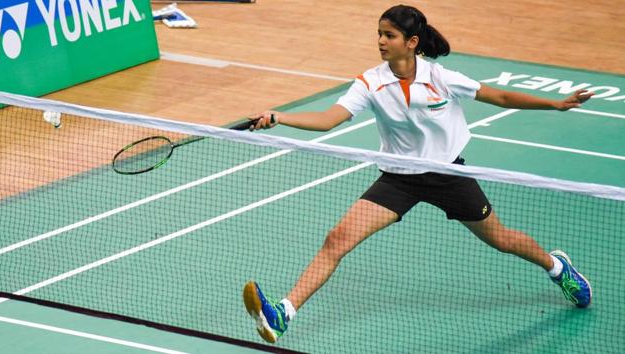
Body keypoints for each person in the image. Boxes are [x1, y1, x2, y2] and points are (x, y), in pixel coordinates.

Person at [242, 4, 593, 344]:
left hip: (447, 175)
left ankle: (557, 268)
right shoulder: (370, 82)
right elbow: (329, 119)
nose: (380, 41)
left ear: (411, 43)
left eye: (389, 35)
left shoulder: (441, 78)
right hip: (399, 179)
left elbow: (499, 96)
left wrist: (556, 104)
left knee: (502, 240)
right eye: (379, 34)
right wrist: (281, 117)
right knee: (337, 239)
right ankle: (283, 314)